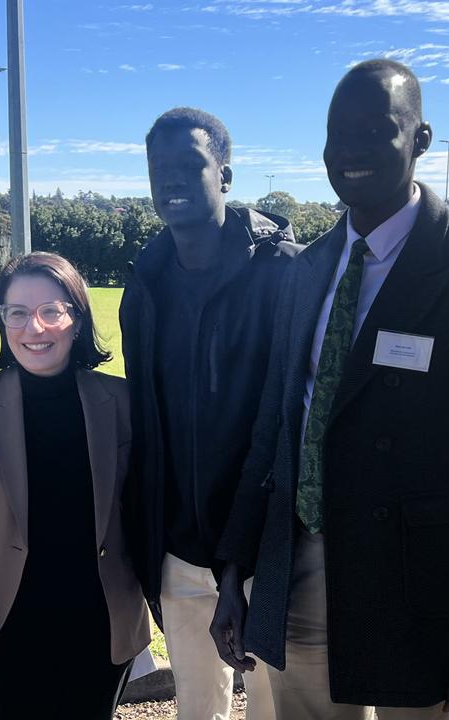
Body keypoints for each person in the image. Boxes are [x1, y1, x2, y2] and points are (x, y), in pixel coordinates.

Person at [209, 60, 449, 720]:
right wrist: (233, 570)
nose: (352, 151)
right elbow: (276, 430)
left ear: (420, 139)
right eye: (339, 134)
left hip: (419, 588)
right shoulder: (304, 270)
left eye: (376, 129)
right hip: (300, 571)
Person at [120, 106, 300, 720]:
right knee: (198, 706)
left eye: (189, 164)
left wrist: (242, 557)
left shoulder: (282, 273)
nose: (170, 179)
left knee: (275, 707)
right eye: (157, 168)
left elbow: (283, 425)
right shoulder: (143, 284)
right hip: (178, 548)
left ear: (224, 174)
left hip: (266, 546)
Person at [0, 252, 150, 720]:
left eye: (51, 311)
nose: (34, 328)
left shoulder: (121, 402)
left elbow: (143, 515)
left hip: (99, 630)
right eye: (17, 313)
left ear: (77, 318)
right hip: (3, 633)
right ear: (2, 321)